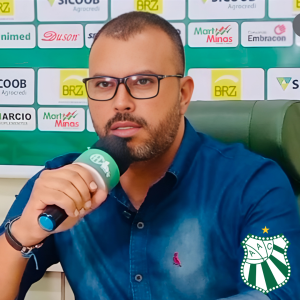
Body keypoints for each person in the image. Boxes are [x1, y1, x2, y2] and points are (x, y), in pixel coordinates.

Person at [0, 11, 300, 300]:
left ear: (183, 95)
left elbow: (272, 295)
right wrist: (22, 233)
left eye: (143, 82)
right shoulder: (60, 182)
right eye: (104, 84)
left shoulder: (253, 184)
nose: (121, 103)